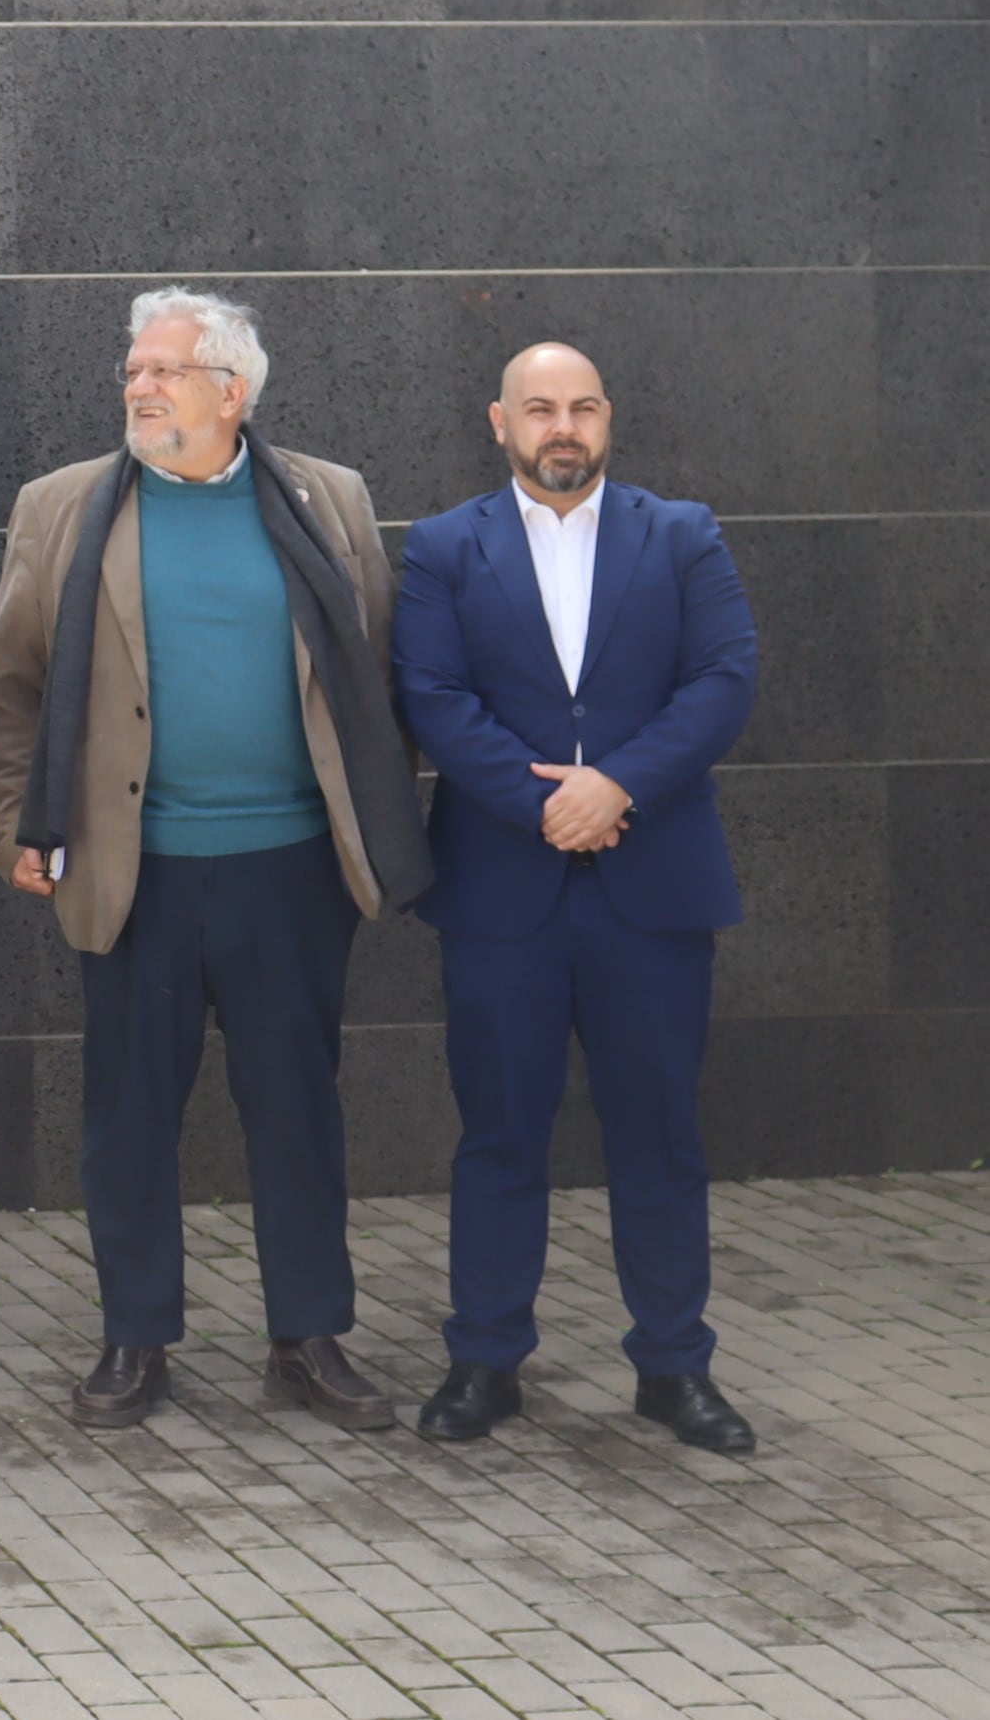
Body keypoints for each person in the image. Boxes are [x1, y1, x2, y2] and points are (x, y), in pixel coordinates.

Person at [0, 287, 431, 1434]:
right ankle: (134, 1339)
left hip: (290, 869)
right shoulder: (63, 507)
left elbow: (377, 674)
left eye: (164, 371)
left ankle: (308, 1337)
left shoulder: (330, 501)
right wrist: (11, 826)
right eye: (133, 370)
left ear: (232, 391)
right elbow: (8, 692)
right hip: (136, 872)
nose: (138, 387)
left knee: (297, 1109)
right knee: (127, 1115)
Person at [393, 344, 761, 1454]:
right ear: (497, 419)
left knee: (658, 1133)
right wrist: (543, 802)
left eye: (583, 406)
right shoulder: (445, 547)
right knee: (498, 1132)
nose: (564, 426)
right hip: (503, 888)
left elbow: (723, 679)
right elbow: (431, 693)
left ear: (608, 418)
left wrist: (617, 786)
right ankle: (485, 1358)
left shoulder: (682, 533)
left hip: (651, 887)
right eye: (541, 407)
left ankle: (673, 1366)